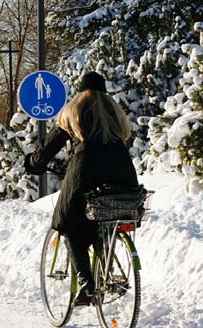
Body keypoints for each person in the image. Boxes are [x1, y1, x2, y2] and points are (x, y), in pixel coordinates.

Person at [24, 71, 138, 305]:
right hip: (123, 175)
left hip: (85, 174)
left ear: (80, 93)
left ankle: (86, 282)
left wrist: (33, 164)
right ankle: (104, 270)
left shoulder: (73, 113)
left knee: (69, 224)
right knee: (105, 217)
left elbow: (49, 148)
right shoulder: (115, 114)